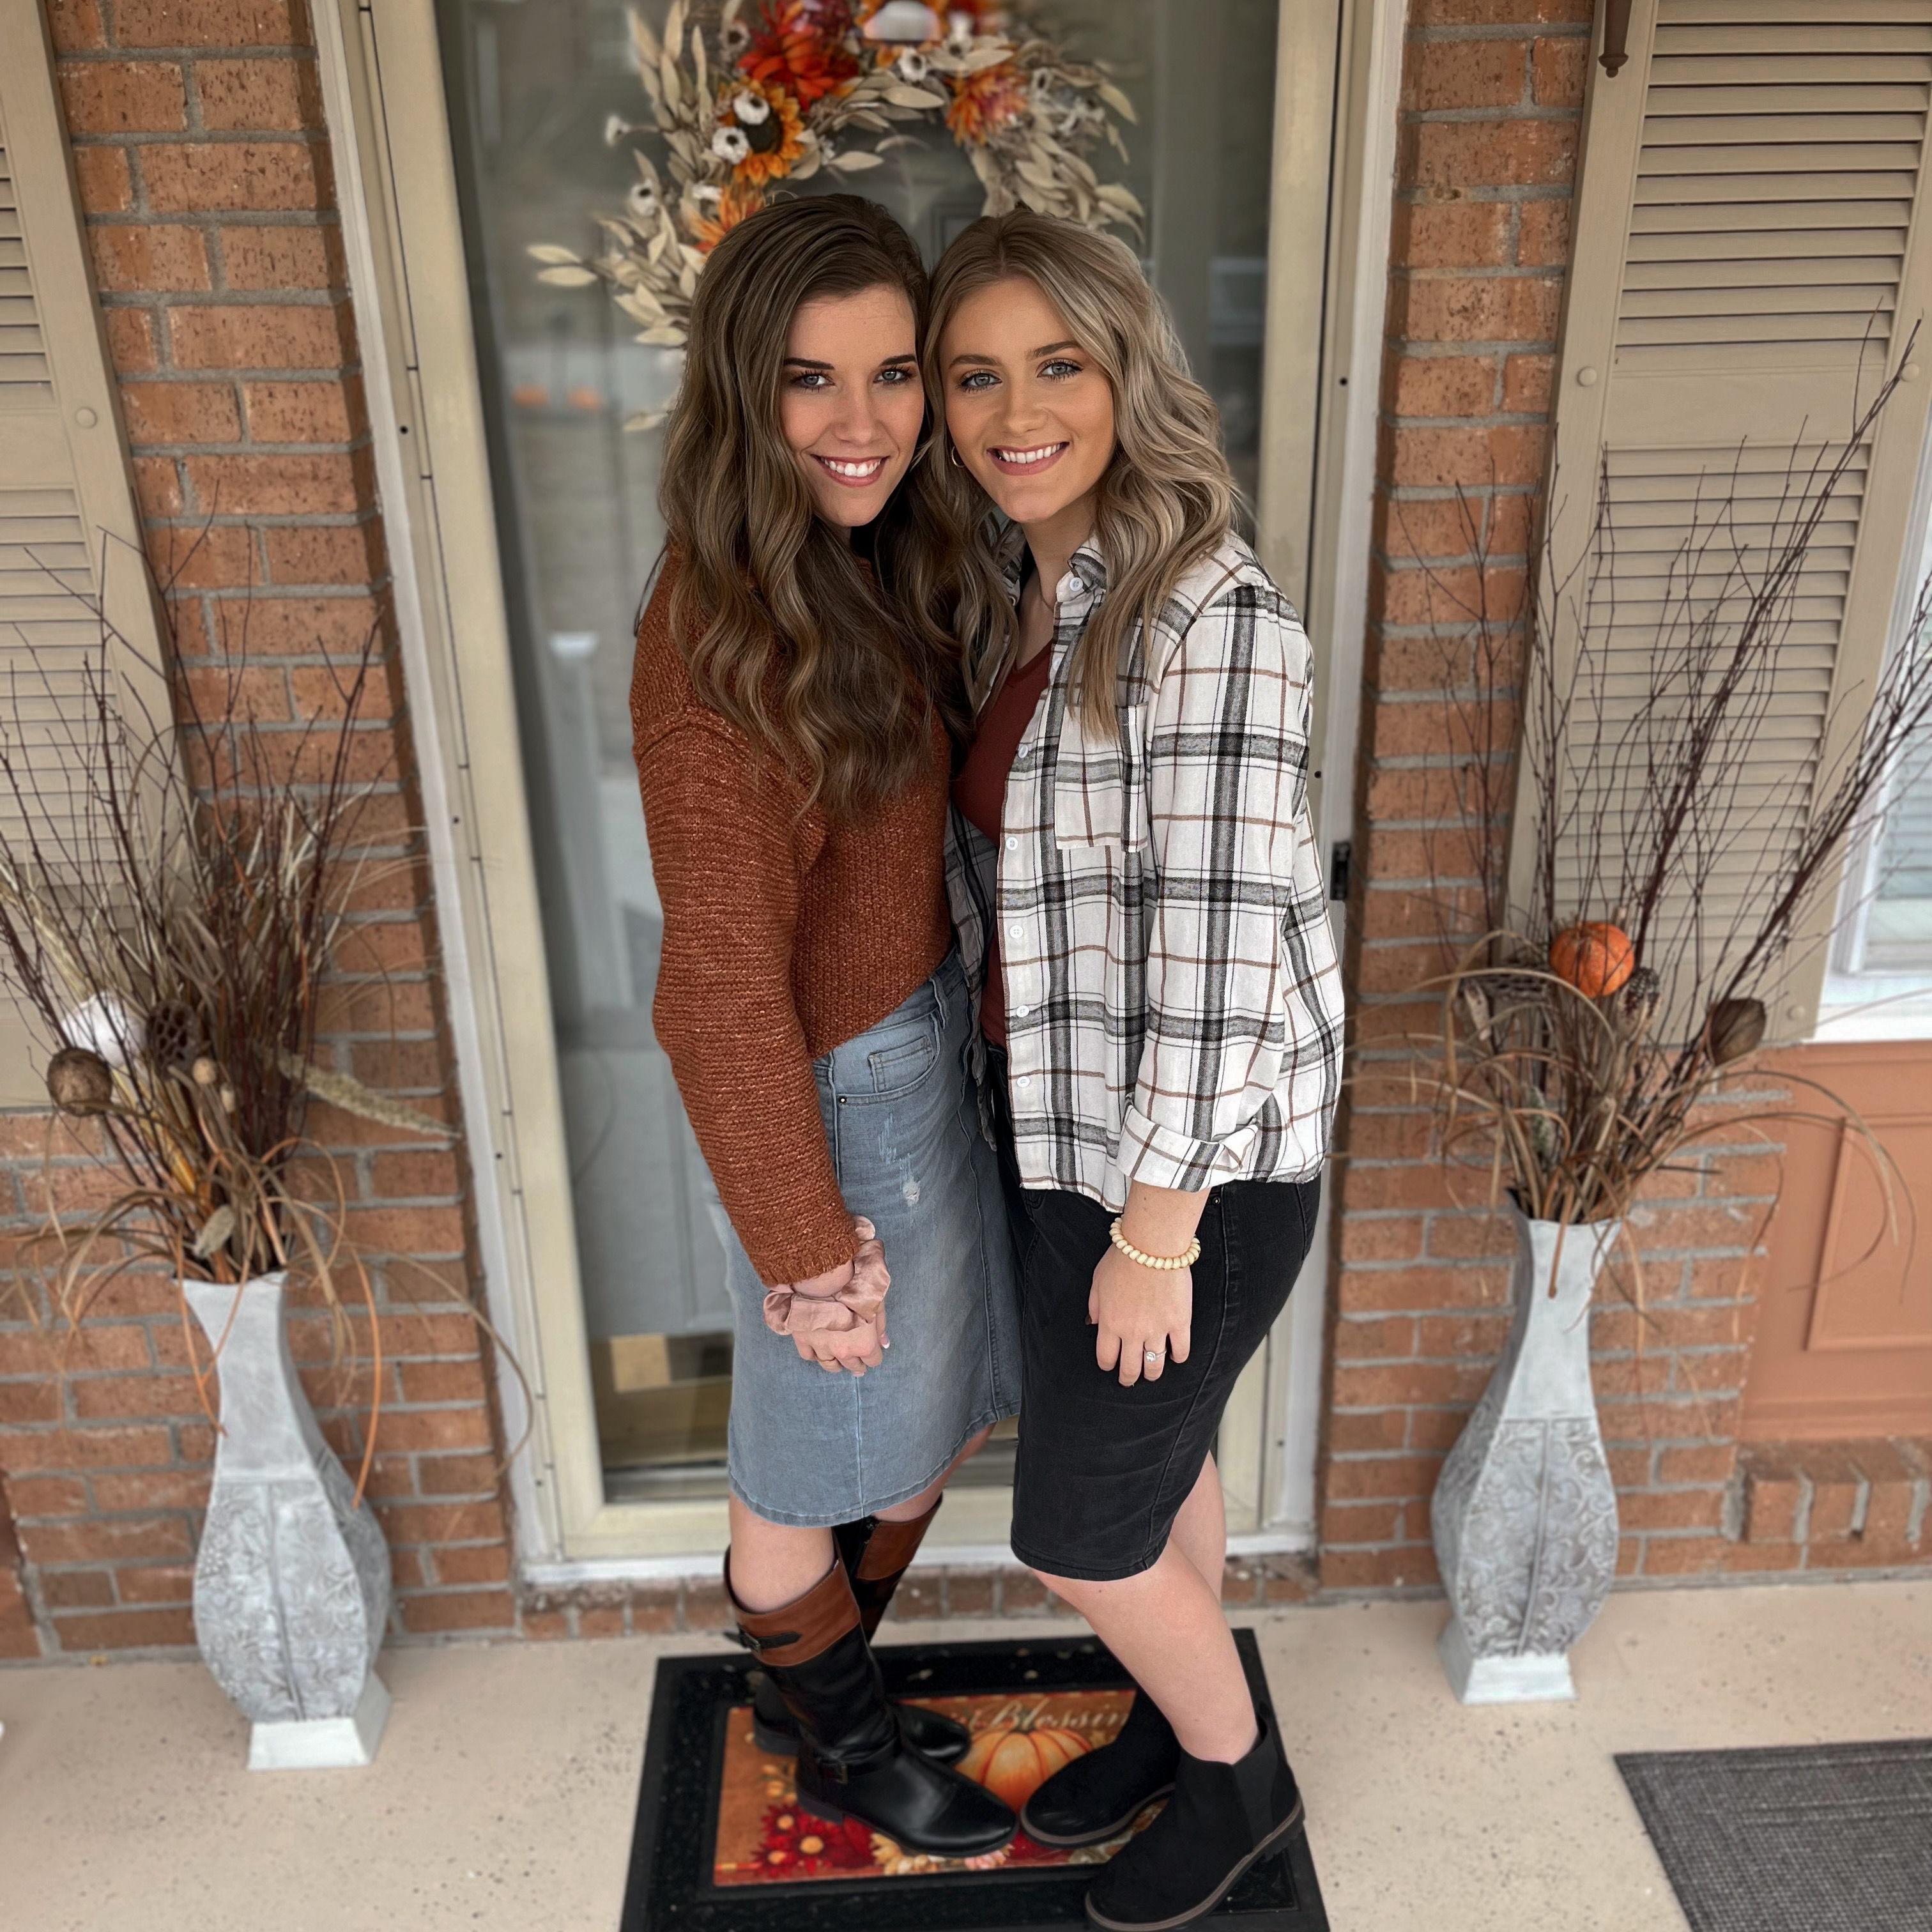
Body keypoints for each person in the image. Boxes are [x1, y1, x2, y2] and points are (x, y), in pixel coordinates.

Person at [930, 210, 1346, 1926]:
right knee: (1160, 1472)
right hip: (1060, 1133)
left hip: (1191, 1175)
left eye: (1057, 365)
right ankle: (1185, 1726)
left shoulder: (1211, 619)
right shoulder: (1023, 597)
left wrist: (1157, 1232)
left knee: (1080, 1534)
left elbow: (1226, 955)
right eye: (976, 376)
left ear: (1128, 375)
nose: (1016, 410)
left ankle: (1242, 1782)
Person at [631, 195, 1019, 1859]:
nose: (861, 422)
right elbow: (716, 983)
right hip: (839, 1093)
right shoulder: (720, 635)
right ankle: (842, 1744)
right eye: (810, 379)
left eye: (893, 374)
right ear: (745, 389)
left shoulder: (858, 559)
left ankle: (823, 1692)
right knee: (803, 1468)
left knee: (926, 1434)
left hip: (921, 1054)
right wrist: (804, 1251)